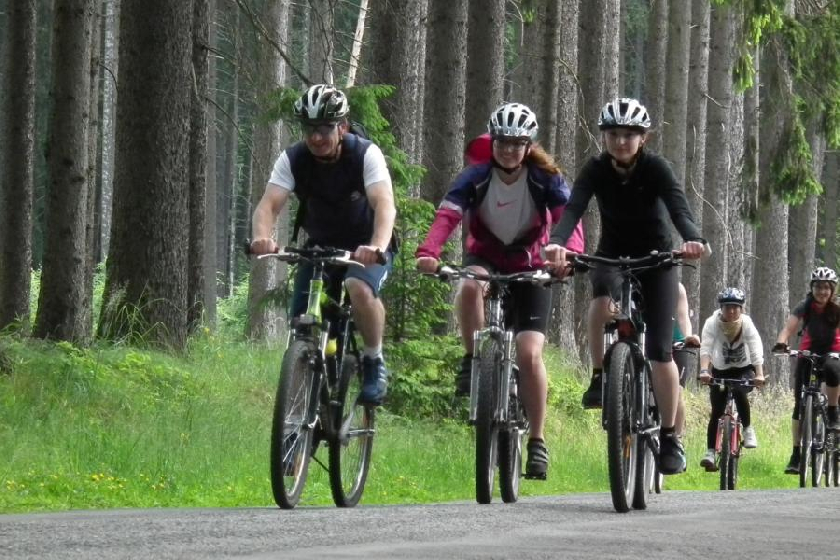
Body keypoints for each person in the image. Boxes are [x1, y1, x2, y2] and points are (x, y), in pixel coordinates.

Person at [415, 102, 584, 479]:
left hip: (532, 267)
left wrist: (567, 255)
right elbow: (448, 215)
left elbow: (567, 220)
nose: (509, 150)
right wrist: (429, 252)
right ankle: (474, 360)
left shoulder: (545, 179)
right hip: (487, 259)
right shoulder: (474, 177)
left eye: (517, 143)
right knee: (469, 285)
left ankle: (538, 441)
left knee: (529, 353)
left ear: (528, 145)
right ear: (492, 141)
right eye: (502, 142)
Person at [544, 97, 706, 475]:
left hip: (658, 259)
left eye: (629, 135)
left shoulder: (657, 169)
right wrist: (558, 242)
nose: (620, 141)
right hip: (612, 255)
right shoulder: (596, 169)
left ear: (643, 137)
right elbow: (573, 208)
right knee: (601, 302)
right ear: (604, 136)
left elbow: (679, 209)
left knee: (661, 352)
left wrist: (693, 239)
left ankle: (670, 436)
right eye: (614, 134)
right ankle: (600, 375)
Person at [250, 84, 397, 406]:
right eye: (309, 129)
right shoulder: (294, 158)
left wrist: (377, 246)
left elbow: (384, 204)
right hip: (320, 246)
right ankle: (303, 408)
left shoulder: (364, 154)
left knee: (358, 287)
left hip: (366, 247)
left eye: (325, 128)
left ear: (342, 127)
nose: (316, 137)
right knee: (301, 320)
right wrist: (262, 237)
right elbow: (269, 205)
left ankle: (373, 360)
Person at [773, 266, 840, 474]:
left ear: (832, 290)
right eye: (818, 287)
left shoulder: (837, 307)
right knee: (799, 404)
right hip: (808, 353)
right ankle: (796, 453)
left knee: (832, 369)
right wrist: (781, 342)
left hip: (833, 352)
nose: (822, 292)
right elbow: (789, 328)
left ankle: (832, 411)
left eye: (826, 288)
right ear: (812, 288)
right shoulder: (805, 306)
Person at [697, 287, 765, 470]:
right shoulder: (712, 323)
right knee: (717, 410)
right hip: (721, 370)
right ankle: (710, 452)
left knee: (739, 390)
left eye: (736, 307)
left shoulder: (747, 324)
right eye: (728, 307)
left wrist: (759, 374)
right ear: (721, 308)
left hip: (744, 369)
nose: (732, 311)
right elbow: (706, 348)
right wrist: (704, 371)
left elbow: (755, 348)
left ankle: (748, 429)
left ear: (741, 309)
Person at [673, 281, 700, 439]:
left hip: (675, 342)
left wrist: (688, 337)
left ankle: (678, 438)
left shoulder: (678, 288)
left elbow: (683, 318)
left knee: (677, 391)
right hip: (645, 341)